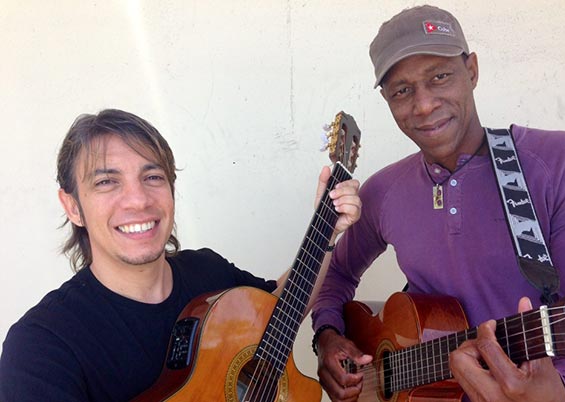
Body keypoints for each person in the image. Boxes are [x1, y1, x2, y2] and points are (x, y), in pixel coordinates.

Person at [311, 5, 565, 402]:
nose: (423, 105)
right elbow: (332, 277)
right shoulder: (383, 191)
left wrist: (562, 396)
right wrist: (328, 336)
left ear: (471, 70)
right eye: (401, 91)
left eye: (440, 77)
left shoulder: (562, 162)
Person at [0, 108, 362, 401]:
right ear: (72, 206)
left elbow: (280, 310)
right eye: (106, 182)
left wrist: (326, 231)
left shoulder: (208, 273)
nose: (139, 200)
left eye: (153, 176)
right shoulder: (41, 346)